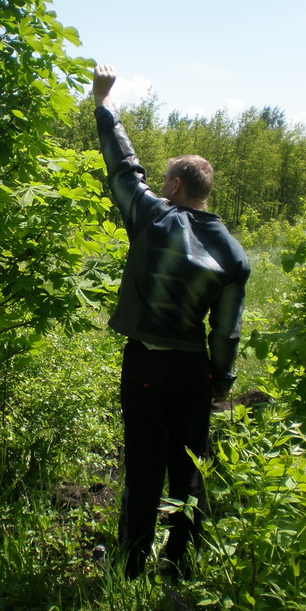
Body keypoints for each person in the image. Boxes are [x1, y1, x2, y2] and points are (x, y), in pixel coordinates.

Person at [92, 64, 250, 580]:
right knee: (189, 468)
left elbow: (123, 168)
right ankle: (178, 564)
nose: (159, 188)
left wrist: (104, 105)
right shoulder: (234, 253)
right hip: (194, 372)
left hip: (147, 366)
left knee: (144, 465)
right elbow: (225, 331)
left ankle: (131, 566)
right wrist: (221, 382)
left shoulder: (154, 218)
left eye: (165, 183)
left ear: (177, 184)